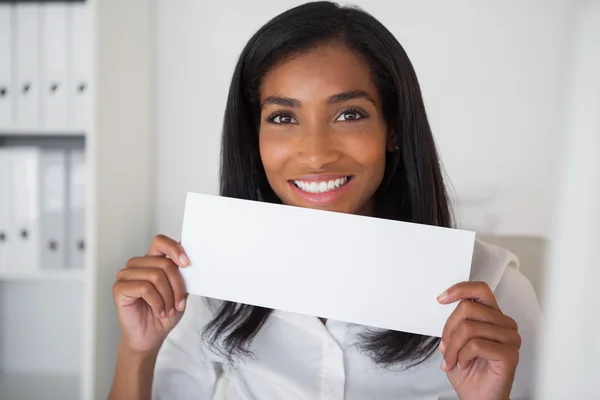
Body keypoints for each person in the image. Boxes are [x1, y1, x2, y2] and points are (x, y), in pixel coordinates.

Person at [109, 2, 541, 399]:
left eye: (349, 114)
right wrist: (137, 351)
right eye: (283, 117)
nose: (315, 154)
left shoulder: (495, 295)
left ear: (393, 129)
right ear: (253, 137)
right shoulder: (207, 282)